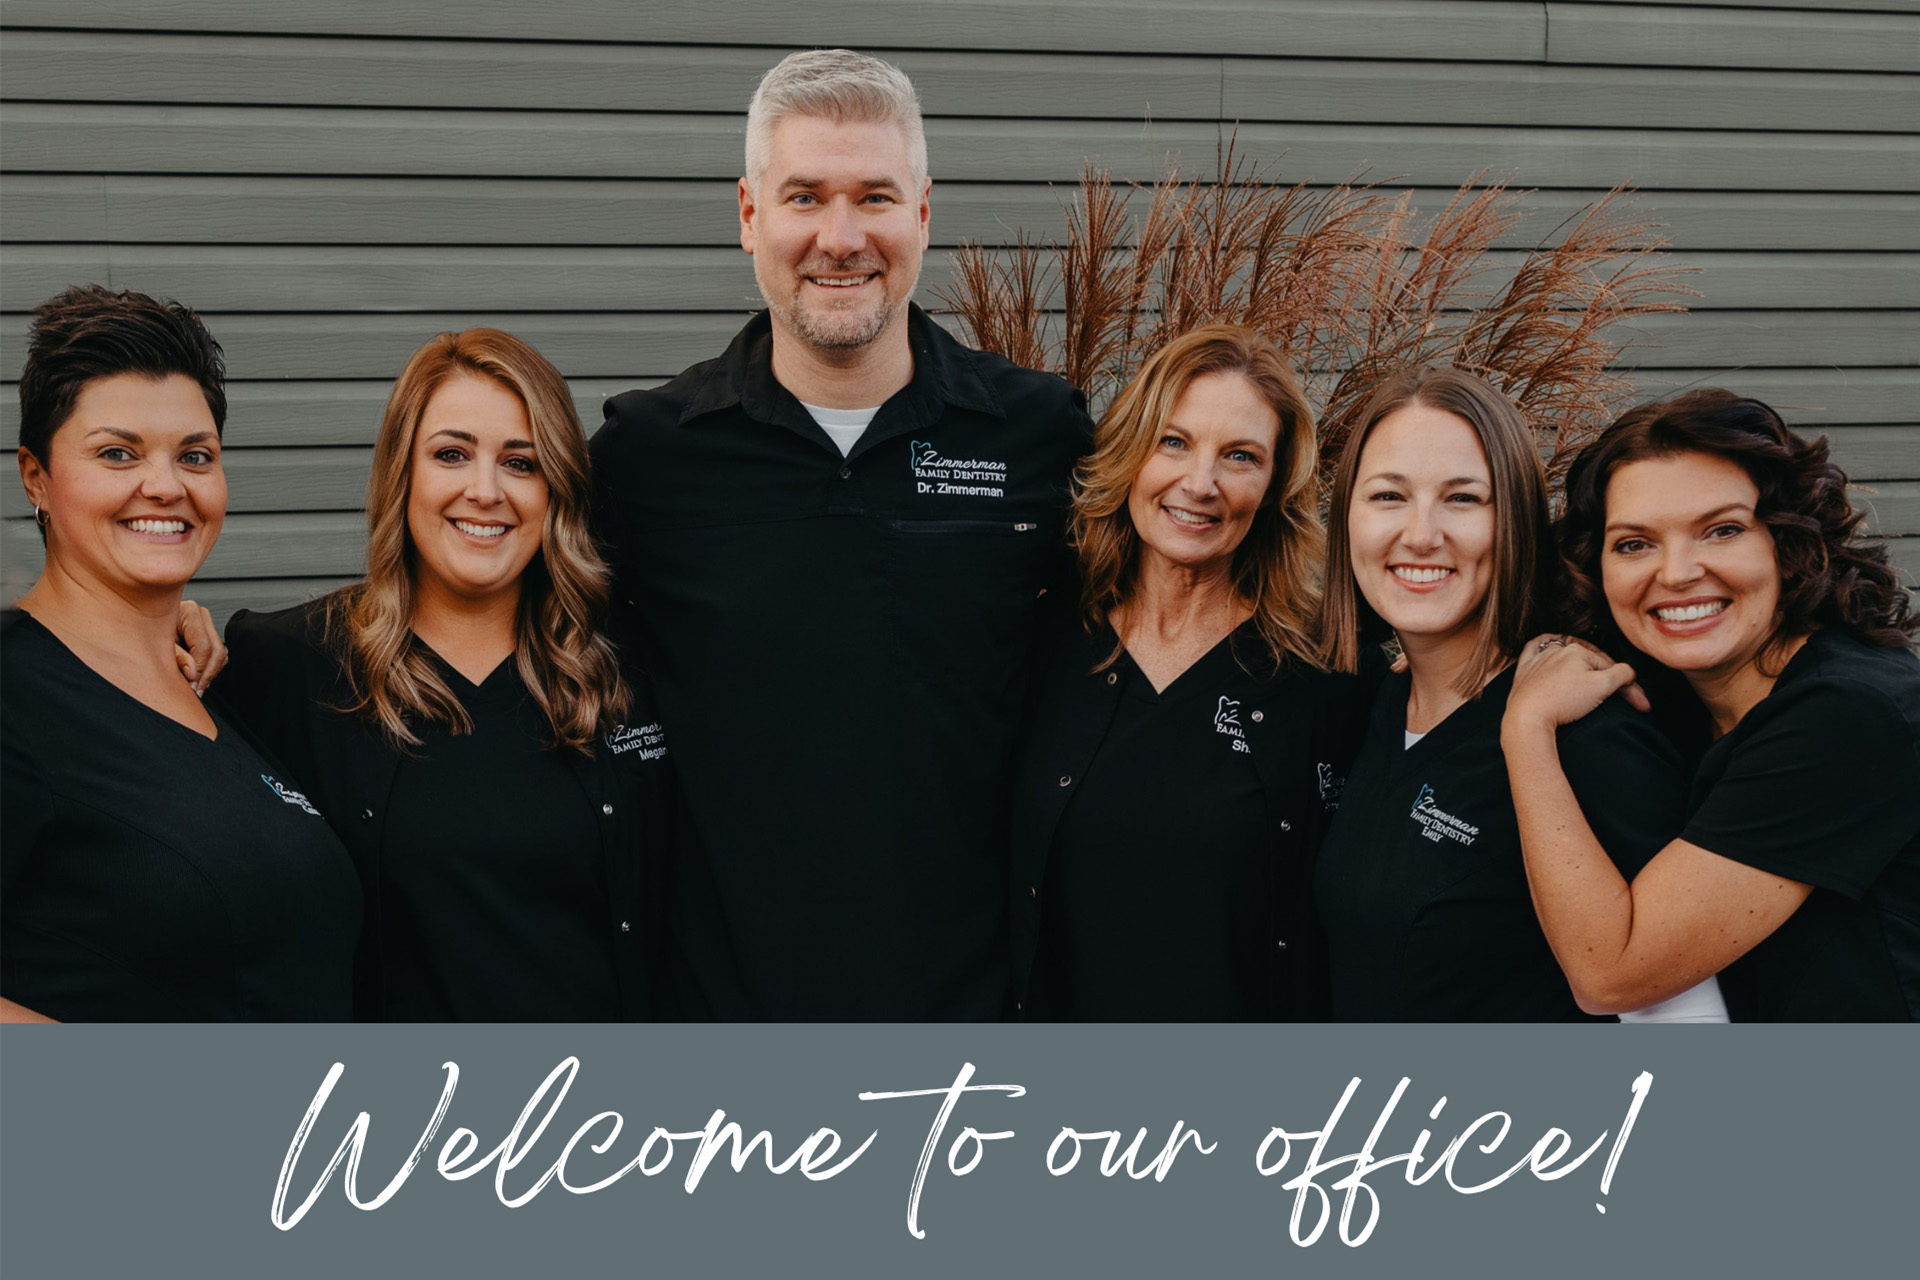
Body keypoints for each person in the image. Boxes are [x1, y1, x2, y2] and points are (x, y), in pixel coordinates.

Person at [591, 49, 1093, 1019]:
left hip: (976, 1035)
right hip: (723, 1048)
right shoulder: (648, 456)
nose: (841, 235)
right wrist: (218, 640)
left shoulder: (1039, 435)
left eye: (874, 196)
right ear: (748, 215)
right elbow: (484, 613)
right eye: (805, 197)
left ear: (923, 213)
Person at [214, 329, 669, 1021]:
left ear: (555, 490)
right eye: (451, 454)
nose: (484, 491)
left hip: (594, 1118)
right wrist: (162, 629)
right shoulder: (287, 665)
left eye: (521, 462)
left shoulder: (627, 668)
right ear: (403, 473)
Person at [1313, 366, 1721, 1022]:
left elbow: (1686, 1022)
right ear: (1347, 521)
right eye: (1388, 497)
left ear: (1517, 523)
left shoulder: (1585, 730)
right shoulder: (1378, 706)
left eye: (1464, 499)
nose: (1420, 534)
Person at [1502, 390, 1919, 1021]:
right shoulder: (1680, 692)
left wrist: (1526, 729)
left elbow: (1612, 973)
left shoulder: (1850, 712)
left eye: (1722, 530)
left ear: (1787, 543)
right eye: (1634, 544)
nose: (1675, 573)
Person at [2, 285, 359, 1022]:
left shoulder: (208, 687)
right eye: (116, 453)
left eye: (195, 456)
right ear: (36, 477)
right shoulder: (12, 693)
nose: (164, 486)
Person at [1007, 326, 1370, 1021]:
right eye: (1173, 442)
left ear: (1272, 486)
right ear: (1132, 453)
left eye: (1240, 456)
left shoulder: (1326, 669)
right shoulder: (1045, 641)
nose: (1199, 484)